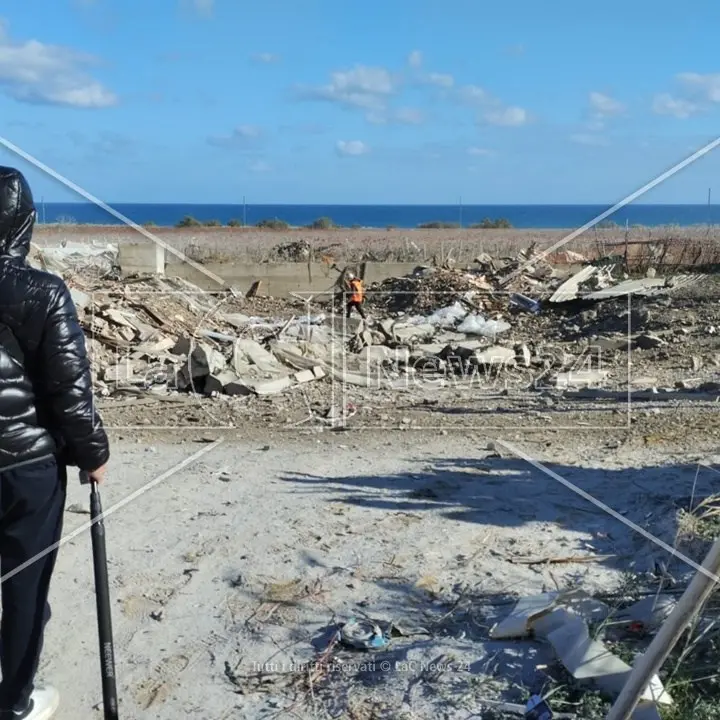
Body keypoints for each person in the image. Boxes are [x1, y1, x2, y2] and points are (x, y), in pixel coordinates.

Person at [0, 167, 110, 719]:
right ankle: (14, 702)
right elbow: (69, 388)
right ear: (23, 222)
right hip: (26, 467)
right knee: (22, 587)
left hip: (24, 460)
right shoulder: (42, 291)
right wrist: (93, 453)